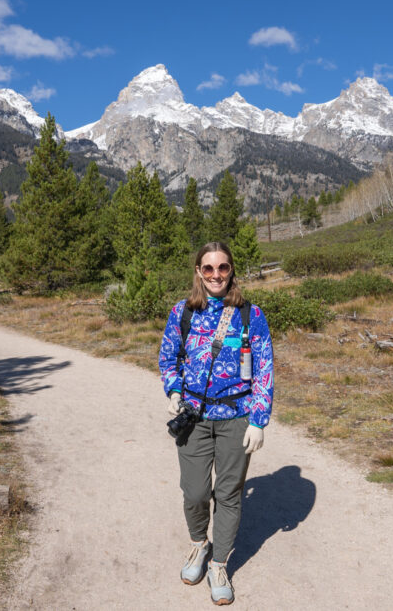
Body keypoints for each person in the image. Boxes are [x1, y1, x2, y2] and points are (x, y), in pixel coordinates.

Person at [158, 241, 274, 606]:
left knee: (228, 494)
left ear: (231, 270)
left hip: (236, 417)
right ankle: (198, 545)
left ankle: (219, 564)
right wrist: (174, 390)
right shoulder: (183, 312)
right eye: (208, 268)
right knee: (194, 492)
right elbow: (168, 357)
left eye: (222, 268)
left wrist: (258, 420)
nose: (215, 275)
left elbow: (264, 369)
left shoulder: (249, 315)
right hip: (192, 415)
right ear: (198, 272)